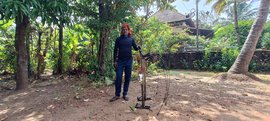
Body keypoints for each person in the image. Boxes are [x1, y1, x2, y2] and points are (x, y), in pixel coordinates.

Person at [110, 23, 140, 102]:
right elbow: (115, 50)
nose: (125, 30)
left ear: (128, 30)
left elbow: (135, 48)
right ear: (121, 30)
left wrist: (138, 47)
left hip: (129, 61)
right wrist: (115, 61)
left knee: (127, 77)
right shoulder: (118, 39)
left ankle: (125, 94)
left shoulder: (131, 39)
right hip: (120, 61)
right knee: (118, 77)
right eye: (123, 29)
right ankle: (117, 94)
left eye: (126, 29)